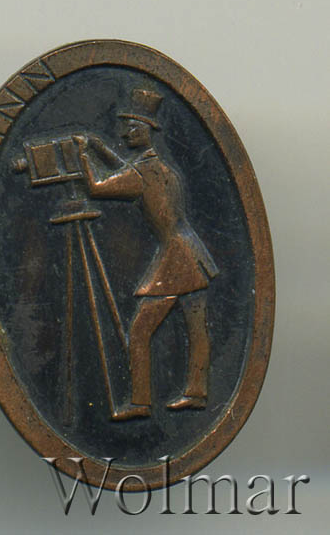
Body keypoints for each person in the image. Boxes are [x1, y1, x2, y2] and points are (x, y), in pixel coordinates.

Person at [74, 89, 218, 421]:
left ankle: (140, 402)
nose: (125, 133)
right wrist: (97, 147)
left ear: (146, 130)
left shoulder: (141, 173)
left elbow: (97, 187)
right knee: (197, 327)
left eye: (131, 128)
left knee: (140, 331)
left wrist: (81, 155)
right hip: (194, 251)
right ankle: (197, 393)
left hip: (175, 260)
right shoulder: (160, 167)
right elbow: (125, 169)